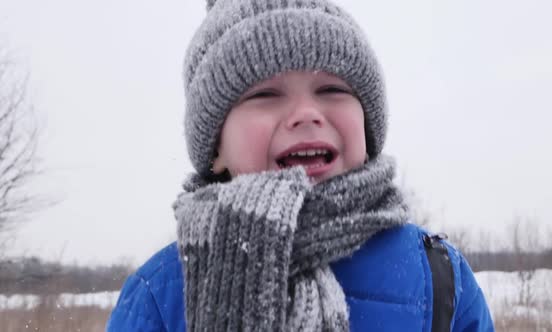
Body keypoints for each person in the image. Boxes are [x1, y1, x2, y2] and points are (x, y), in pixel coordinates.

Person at [107, 0, 494, 331]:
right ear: (215, 149)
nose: (307, 113)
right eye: (265, 94)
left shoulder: (436, 272)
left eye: (332, 90)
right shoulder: (159, 294)